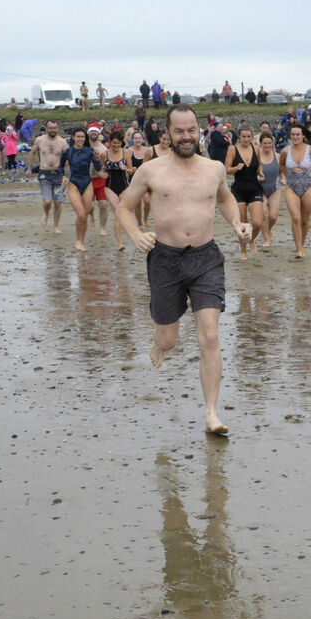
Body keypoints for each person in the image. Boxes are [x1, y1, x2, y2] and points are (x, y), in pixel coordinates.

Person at [116, 104, 251, 436]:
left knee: (210, 335)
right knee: (169, 341)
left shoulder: (214, 168)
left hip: (206, 258)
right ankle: (158, 341)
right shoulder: (150, 170)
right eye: (179, 131)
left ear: (199, 130)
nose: (186, 136)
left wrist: (236, 222)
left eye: (191, 129)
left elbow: (224, 199)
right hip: (164, 260)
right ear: (168, 133)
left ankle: (211, 413)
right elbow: (124, 206)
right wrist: (135, 235)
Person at [281, 124, 311, 257]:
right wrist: (287, 176)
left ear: (303, 135)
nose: (295, 137)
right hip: (291, 186)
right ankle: (299, 249)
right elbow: (282, 164)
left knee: (305, 220)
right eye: (293, 134)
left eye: (297, 134)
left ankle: (301, 244)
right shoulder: (285, 151)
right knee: (295, 218)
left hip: (308, 185)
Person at [225, 127, 266, 260]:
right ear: (239, 137)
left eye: (249, 136)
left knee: (257, 222)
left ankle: (251, 240)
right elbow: (226, 169)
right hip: (239, 190)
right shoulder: (233, 150)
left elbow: (259, 165)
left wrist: (260, 172)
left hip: (254, 188)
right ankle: (244, 250)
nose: (246, 139)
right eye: (244, 137)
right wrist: (236, 168)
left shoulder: (256, 149)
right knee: (243, 223)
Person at [60, 127, 101, 251]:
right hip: (74, 184)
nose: (80, 139)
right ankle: (78, 240)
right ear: (73, 137)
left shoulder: (89, 151)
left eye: (82, 137)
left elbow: (98, 167)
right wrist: (63, 176)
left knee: (85, 215)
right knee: (81, 214)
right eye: (78, 136)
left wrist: (98, 158)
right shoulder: (67, 152)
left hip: (87, 183)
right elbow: (60, 167)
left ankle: (82, 241)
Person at [27, 119, 68, 233]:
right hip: (45, 173)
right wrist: (29, 168)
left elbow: (68, 158)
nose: (52, 130)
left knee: (58, 203)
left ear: (57, 128)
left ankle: (56, 226)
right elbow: (32, 153)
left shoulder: (63, 142)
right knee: (48, 201)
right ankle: (46, 214)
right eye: (50, 128)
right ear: (46, 128)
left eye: (54, 128)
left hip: (59, 175)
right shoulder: (40, 140)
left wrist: (62, 166)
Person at [101, 130, 131, 250]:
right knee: (117, 212)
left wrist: (127, 169)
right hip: (109, 186)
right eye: (114, 143)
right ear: (110, 142)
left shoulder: (126, 153)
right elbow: (100, 170)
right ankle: (120, 243)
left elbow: (131, 169)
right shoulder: (105, 154)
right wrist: (101, 173)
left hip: (124, 186)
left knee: (123, 212)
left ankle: (126, 233)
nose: (116, 146)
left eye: (118, 143)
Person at [257, 130, 281, 247]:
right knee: (264, 214)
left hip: (274, 189)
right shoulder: (256, 157)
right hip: (259, 189)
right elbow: (250, 173)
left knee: (273, 216)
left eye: (269, 143)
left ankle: (269, 229)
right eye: (265, 143)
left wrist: (284, 178)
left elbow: (284, 171)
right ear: (261, 144)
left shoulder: (278, 157)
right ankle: (266, 239)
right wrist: (256, 176)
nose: (267, 146)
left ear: (272, 144)